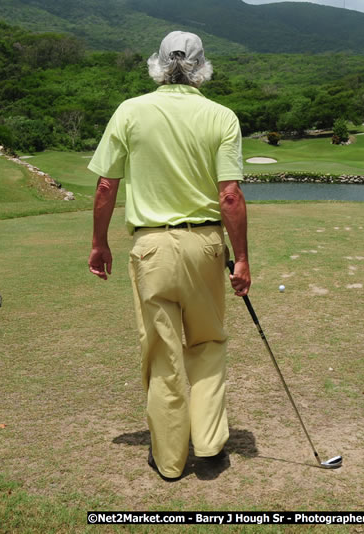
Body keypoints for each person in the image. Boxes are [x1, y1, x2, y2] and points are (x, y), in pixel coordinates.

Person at [87, 30, 251, 480]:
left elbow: (106, 186)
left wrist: (99, 243)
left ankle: (170, 459)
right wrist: (241, 258)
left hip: (151, 247)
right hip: (205, 245)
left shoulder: (130, 110)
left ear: (158, 65)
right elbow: (230, 196)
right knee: (207, 343)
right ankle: (211, 445)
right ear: (202, 68)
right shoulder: (221, 116)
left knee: (162, 352)